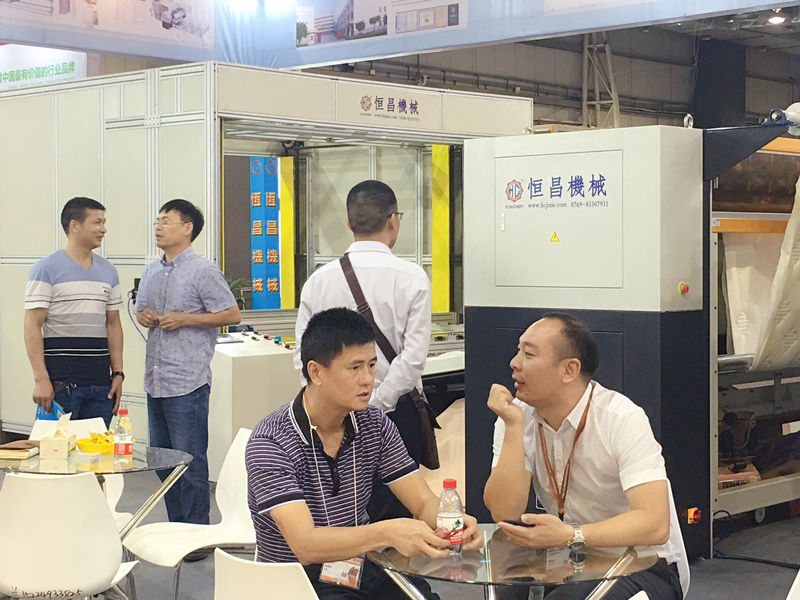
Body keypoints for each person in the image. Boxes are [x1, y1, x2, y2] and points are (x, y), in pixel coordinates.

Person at [247, 307, 481, 600]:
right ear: (315, 372)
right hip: (296, 579)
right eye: (354, 368)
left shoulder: (374, 424)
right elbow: (305, 544)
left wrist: (452, 519)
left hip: (356, 567)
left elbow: (422, 501)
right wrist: (388, 532)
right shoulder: (272, 440)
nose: (368, 379)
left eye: (371, 365)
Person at [483, 313, 685, 600]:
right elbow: (504, 512)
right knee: (507, 595)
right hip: (569, 559)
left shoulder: (621, 418)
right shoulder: (514, 417)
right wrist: (513, 427)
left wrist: (571, 534)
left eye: (528, 354)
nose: (514, 363)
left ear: (569, 370)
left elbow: (655, 524)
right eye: (518, 351)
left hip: (644, 563)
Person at [294, 180, 432, 522]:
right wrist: (377, 404)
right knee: (398, 511)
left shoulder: (319, 280)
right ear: (393, 220)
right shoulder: (412, 277)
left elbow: (302, 355)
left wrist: (334, 401)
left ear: (349, 222)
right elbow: (414, 356)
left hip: (329, 417)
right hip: (396, 412)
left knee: (335, 507)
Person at [135, 199, 240, 550]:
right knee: (162, 462)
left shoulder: (203, 270)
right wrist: (145, 315)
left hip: (187, 381)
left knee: (189, 463)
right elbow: (140, 310)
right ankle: (176, 529)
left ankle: (196, 538)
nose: (158, 226)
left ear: (187, 228)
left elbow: (231, 314)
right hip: (156, 379)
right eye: (157, 220)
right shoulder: (151, 270)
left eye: (166, 220)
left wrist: (186, 318)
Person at [24, 197, 124, 427]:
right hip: (60, 384)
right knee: (57, 447)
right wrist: (40, 379)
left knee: (96, 448)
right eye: (97, 222)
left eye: (104, 222)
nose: (103, 229)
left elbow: (113, 324)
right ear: (74, 225)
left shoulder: (108, 271)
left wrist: (118, 373)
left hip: (100, 384)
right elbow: (32, 325)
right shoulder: (46, 269)